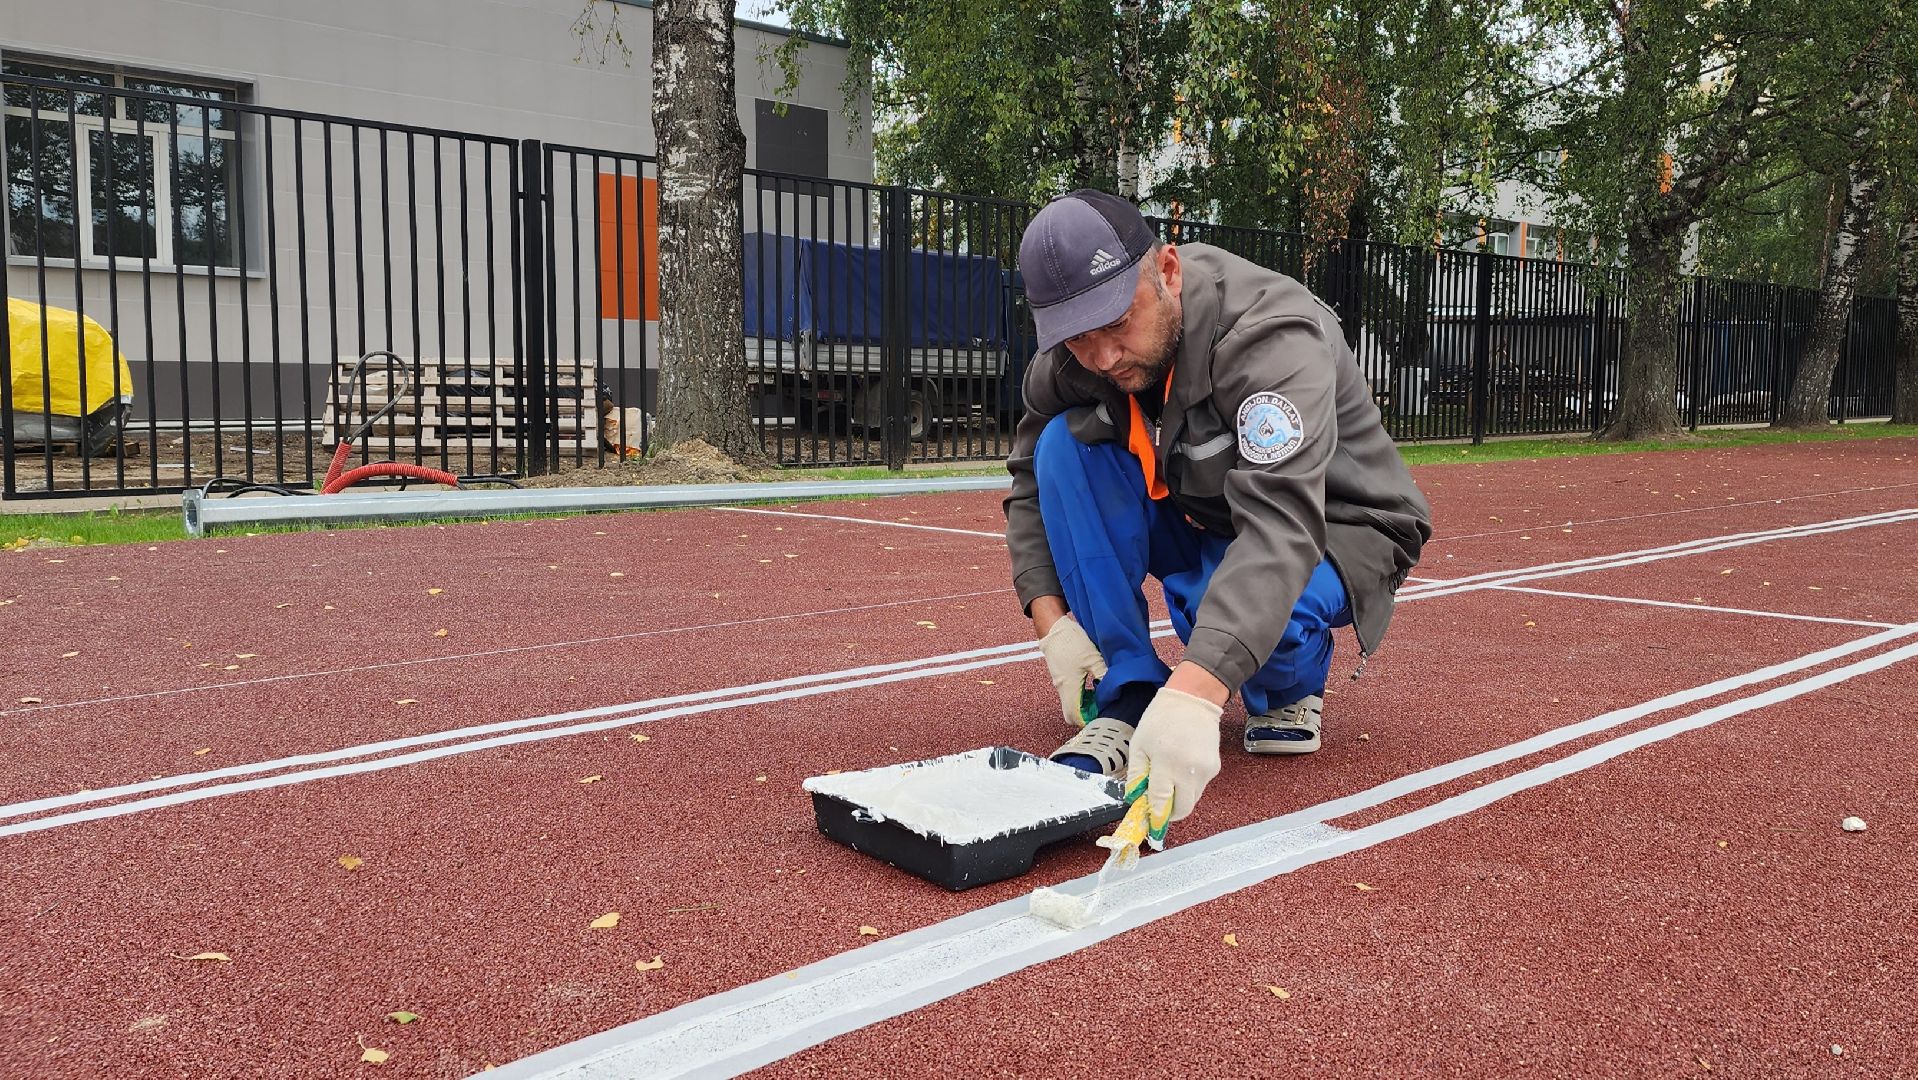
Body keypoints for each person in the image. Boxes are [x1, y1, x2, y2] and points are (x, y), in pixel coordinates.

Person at [1004, 189, 1433, 844]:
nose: (1105, 356)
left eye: (1117, 322)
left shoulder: (1272, 338)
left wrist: (1197, 692)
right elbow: (1032, 477)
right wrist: (1050, 621)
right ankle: (1130, 691)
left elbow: (1282, 525)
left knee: (1226, 615)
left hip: (1333, 523)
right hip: (1208, 513)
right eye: (1078, 338)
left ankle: (1290, 681)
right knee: (1064, 447)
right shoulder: (1075, 356)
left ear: (1168, 271)